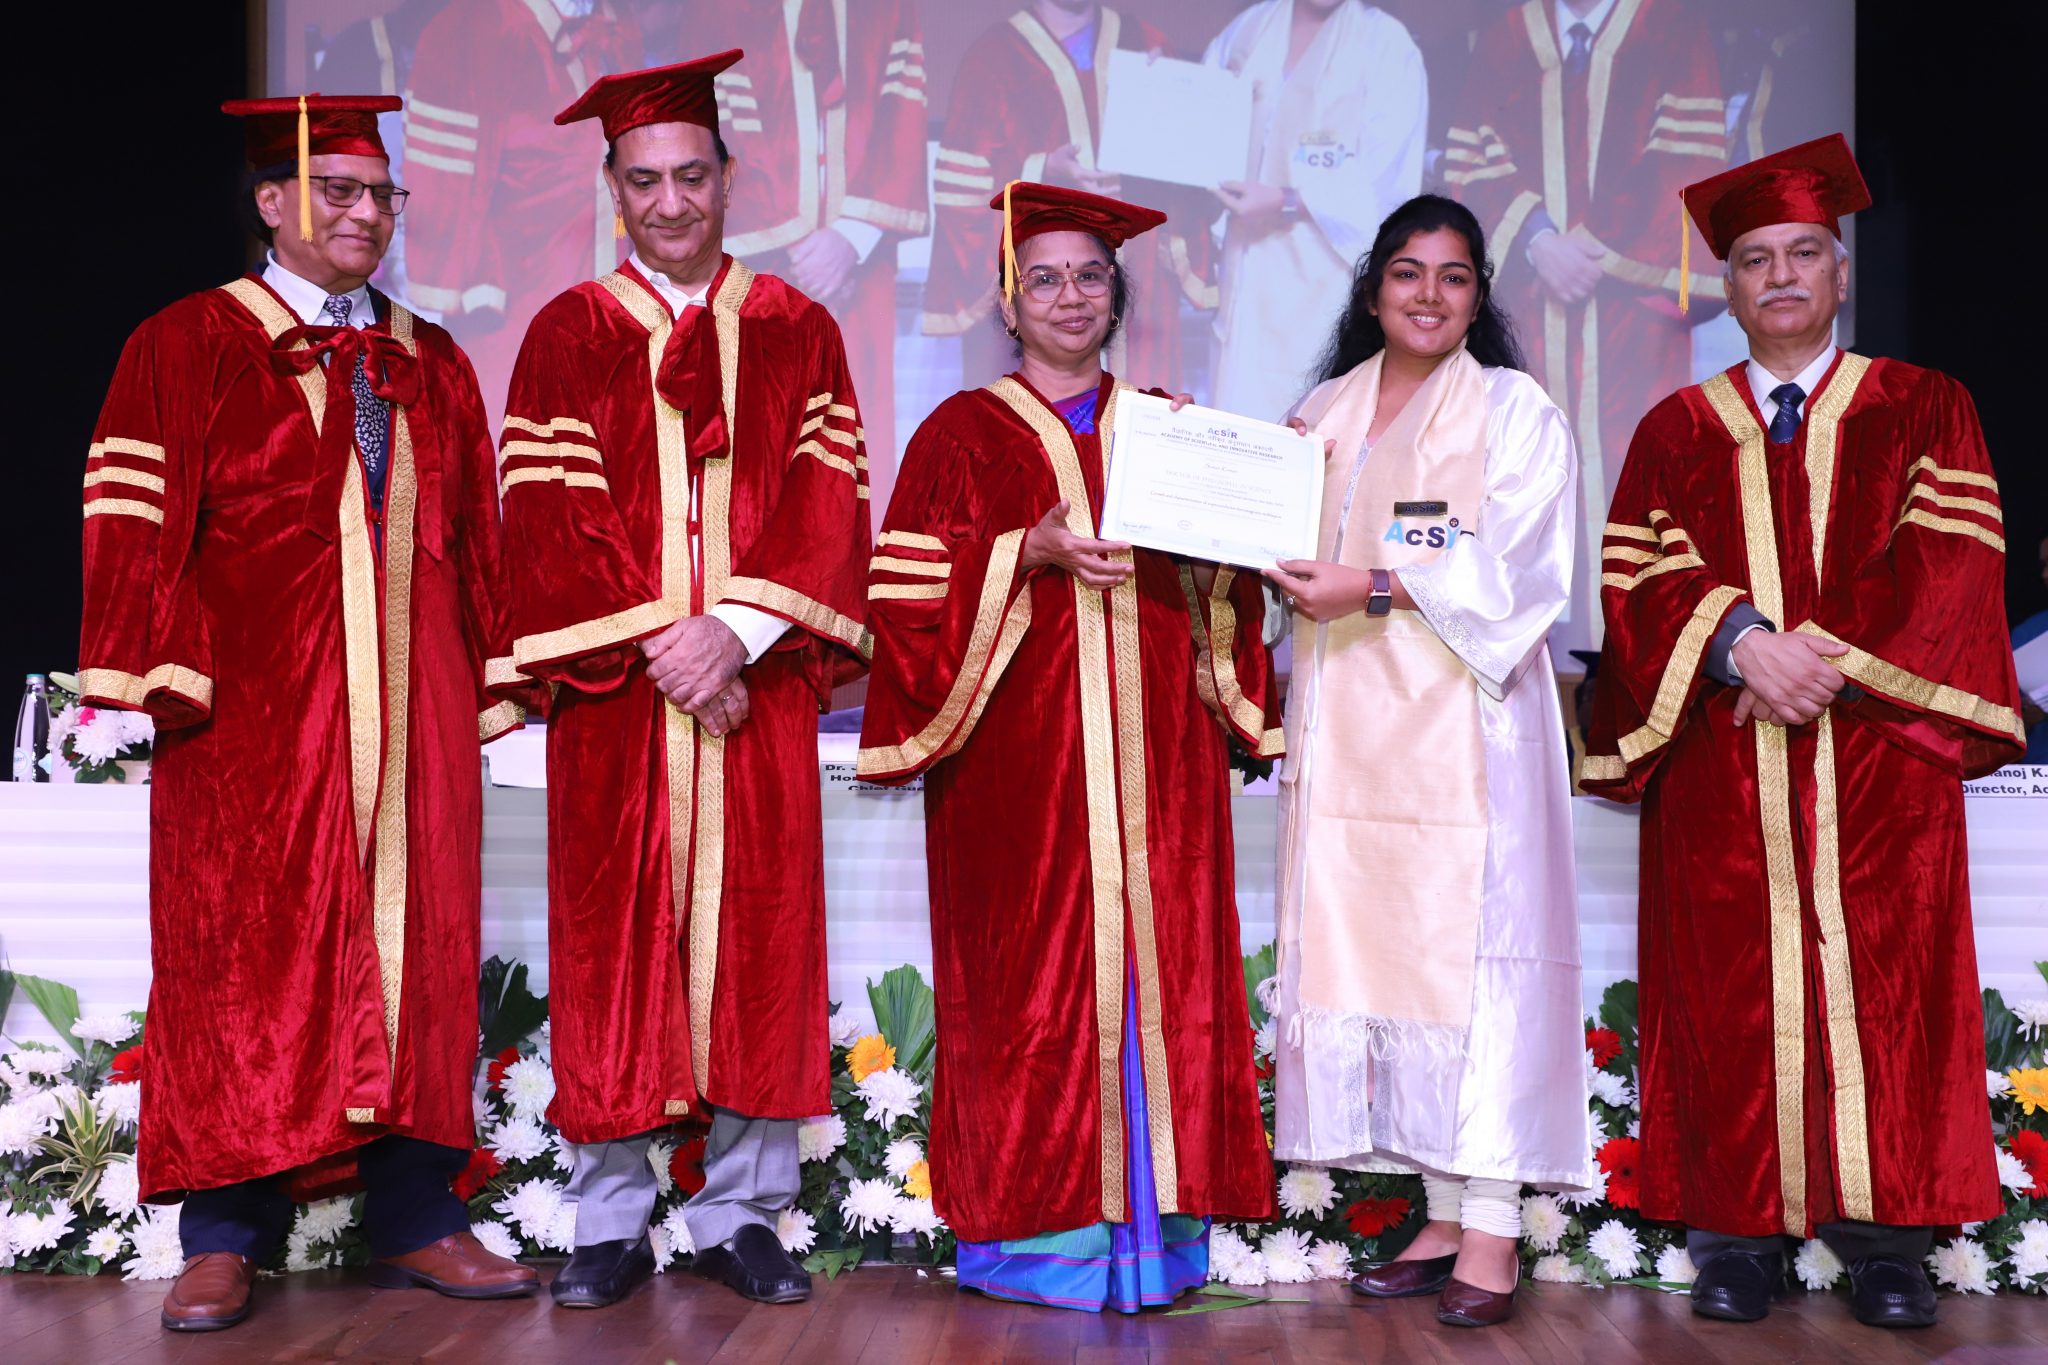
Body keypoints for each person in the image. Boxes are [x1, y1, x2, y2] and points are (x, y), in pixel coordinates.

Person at [77, 93, 537, 1332]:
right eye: (337, 191)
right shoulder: (188, 340)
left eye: (381, 195)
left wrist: (489, 679)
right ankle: (224, 1233)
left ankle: (419, 1214)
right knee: (242, 955)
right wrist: (157, 671)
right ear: (272, 200)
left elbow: (476, 537)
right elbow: (133, 513)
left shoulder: (432, 356)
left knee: (417, 948)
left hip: (414, 706)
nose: (364, 214)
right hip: (254, 718)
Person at [1583, 134, 2024, 1329]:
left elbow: (1947, 567)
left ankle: (1886, 1245)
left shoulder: (1921, 405)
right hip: (1722, 757)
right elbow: (1636, 576)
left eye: (1801, 254)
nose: (1778, 276)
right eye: (1753, 260)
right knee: (1723, 987)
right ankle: (1732, 1237)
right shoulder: (1673, 428)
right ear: (1725, 287)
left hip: (1878, 755)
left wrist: (1805, 660)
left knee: (1887, 984)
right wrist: (1738, 642)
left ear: (1839, 271)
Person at [494, 51, 872, 1311]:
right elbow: (550, 520)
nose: (670, 202)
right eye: (645, 180)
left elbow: (825, 501)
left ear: (727, 177)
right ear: (613, 188)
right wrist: (677, 647)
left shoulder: (799, 328)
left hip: (756, 693)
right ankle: (609, 1216)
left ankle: (740, 1213)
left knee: (759, 937)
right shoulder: (565, 334)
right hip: (619, 700)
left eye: (691, 176)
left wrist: (740, 635)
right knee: (613, 946)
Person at [859, 182, 1279, 1313]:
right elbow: (903, 601)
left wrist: (1245, 508)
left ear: (1117, 294)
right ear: (1007, 301)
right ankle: (1038, 1246)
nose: (1069, 297)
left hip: (1159, 768)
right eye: (1041, 279)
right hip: (1017, 778)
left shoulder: (1167, 428)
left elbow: (1224, 596)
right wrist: (1024, 551)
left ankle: (1155, 1244)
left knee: (1158, 980)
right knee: (1029, 995)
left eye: (1090, 276)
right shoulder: (958, 435)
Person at [1263, 193, 1589, 1329]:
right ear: (1371, 291)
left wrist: (1376, 584)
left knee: (1474, 968)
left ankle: (1491, 1230)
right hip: (1350, 741)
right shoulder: (1321, 413)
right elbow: (1274, 541)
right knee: (1388, 967)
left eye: (1454, 277)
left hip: (1469, 736)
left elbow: (1524, 568)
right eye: (1408, 273)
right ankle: (1442, 1215)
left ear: (1478, 296)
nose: (1429, 295)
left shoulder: (1514, 411)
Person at [1441, 0, 1725, 640]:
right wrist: (1537, 240)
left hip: (1633, 317)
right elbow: (1471, 159)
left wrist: (1592, 247)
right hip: (1527, 303)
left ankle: (1635, 646)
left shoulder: (1671, 27)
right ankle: (1524, 647)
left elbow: (1684, 161)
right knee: (1517, 466)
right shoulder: (1508, 33)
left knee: (1640, 465)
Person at [689, 0, 929, 510]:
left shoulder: (886, 7)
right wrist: (793, 239)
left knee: (856, 426)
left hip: (863, 264)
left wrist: (852, 237)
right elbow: (722, 130)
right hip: (761, 262)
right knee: (760, 428)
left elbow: (900, 118)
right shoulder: (721, 8)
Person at [923, 1, 1210, 392]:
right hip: (1039, 280)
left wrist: (1175, 95)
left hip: (1135, 273)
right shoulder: (993, 55)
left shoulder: (1144, 43)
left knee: (1141, 411)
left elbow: (1187, 165)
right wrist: (1043, 169)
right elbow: (962, 185)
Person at [402, 0, 640, 415]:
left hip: (615, 290)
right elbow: (451, 185)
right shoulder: (476, 27)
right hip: (518, 297)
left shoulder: (613, 25)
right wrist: (479, 284)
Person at [1201, 0, 1427, 420]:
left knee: (1314, 422)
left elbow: (1386, 177)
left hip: (1325, 280)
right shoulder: (1250, 29)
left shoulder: (1385, 44)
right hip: (1245, 277)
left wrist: (1288, 199)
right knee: (1236, 418)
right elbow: (1203, 124)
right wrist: (1162, 87)